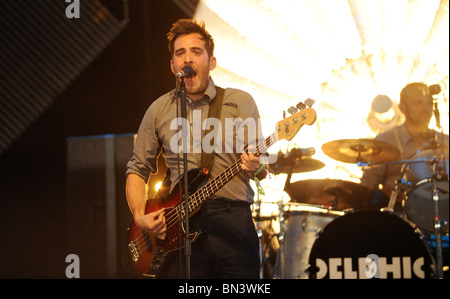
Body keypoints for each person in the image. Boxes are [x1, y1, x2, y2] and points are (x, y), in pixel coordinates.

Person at [125, 19, 267, 279]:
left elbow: (260, 172)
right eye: (180, 53)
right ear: (173, 66)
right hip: (179, 229)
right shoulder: (159, 110)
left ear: (211, 62)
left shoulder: (240, 102)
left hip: (233, 220)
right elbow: (137, 168)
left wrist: (257, 168)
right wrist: (139, 217)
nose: (187, 58)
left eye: (196, 52)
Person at [361, 82, 449, 212]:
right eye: (418, 103)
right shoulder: (385, 141)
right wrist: (390, 195)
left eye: (429, 103)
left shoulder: (445, 141)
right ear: (402, 107)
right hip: (399, 219)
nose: (426, 108)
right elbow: (367, 186)